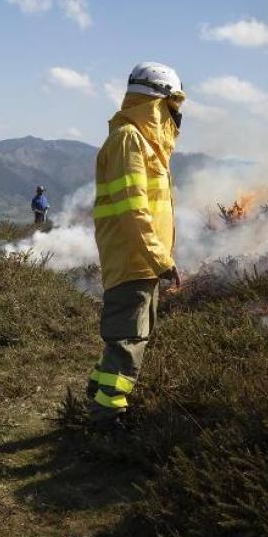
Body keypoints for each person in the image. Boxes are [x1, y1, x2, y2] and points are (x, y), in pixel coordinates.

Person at [85, 63, 184, 428]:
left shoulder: (142, 141)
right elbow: (133, 210)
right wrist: (161, 259)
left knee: (132, 337)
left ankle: (95, 395)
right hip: (134, 260)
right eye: (172, 105)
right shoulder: (129, 139)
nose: (176, 115)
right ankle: (106, 419)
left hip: (141, 260)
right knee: (129, 340)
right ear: (157, 103)